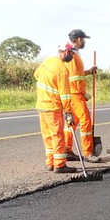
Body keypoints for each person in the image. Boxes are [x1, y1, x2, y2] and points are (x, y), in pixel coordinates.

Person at [33, 45, 78, 174]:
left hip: (41, 105)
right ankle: (59, 165)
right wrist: (68, 112)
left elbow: (36, 74)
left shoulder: (48, 61)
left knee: (47, 136)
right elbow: (65, 95)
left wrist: (47, 86)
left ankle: (50, 162)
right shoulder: (62, 70)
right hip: (53, 108)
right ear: (67, 52)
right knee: (58, 136)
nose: (72, 57)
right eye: (72, 54)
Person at [65, 29, 100, 163]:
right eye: (83, 39)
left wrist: (89, 72)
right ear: (79, 39)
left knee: (72, 122)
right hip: (75, 94)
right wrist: (82, 93)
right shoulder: (72, 55)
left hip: (73, 93)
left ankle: (67, 150)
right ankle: (87, 153)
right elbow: (73, 78)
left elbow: (77, 75)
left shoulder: (75, 54)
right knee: (86, 121)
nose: (84, 41)